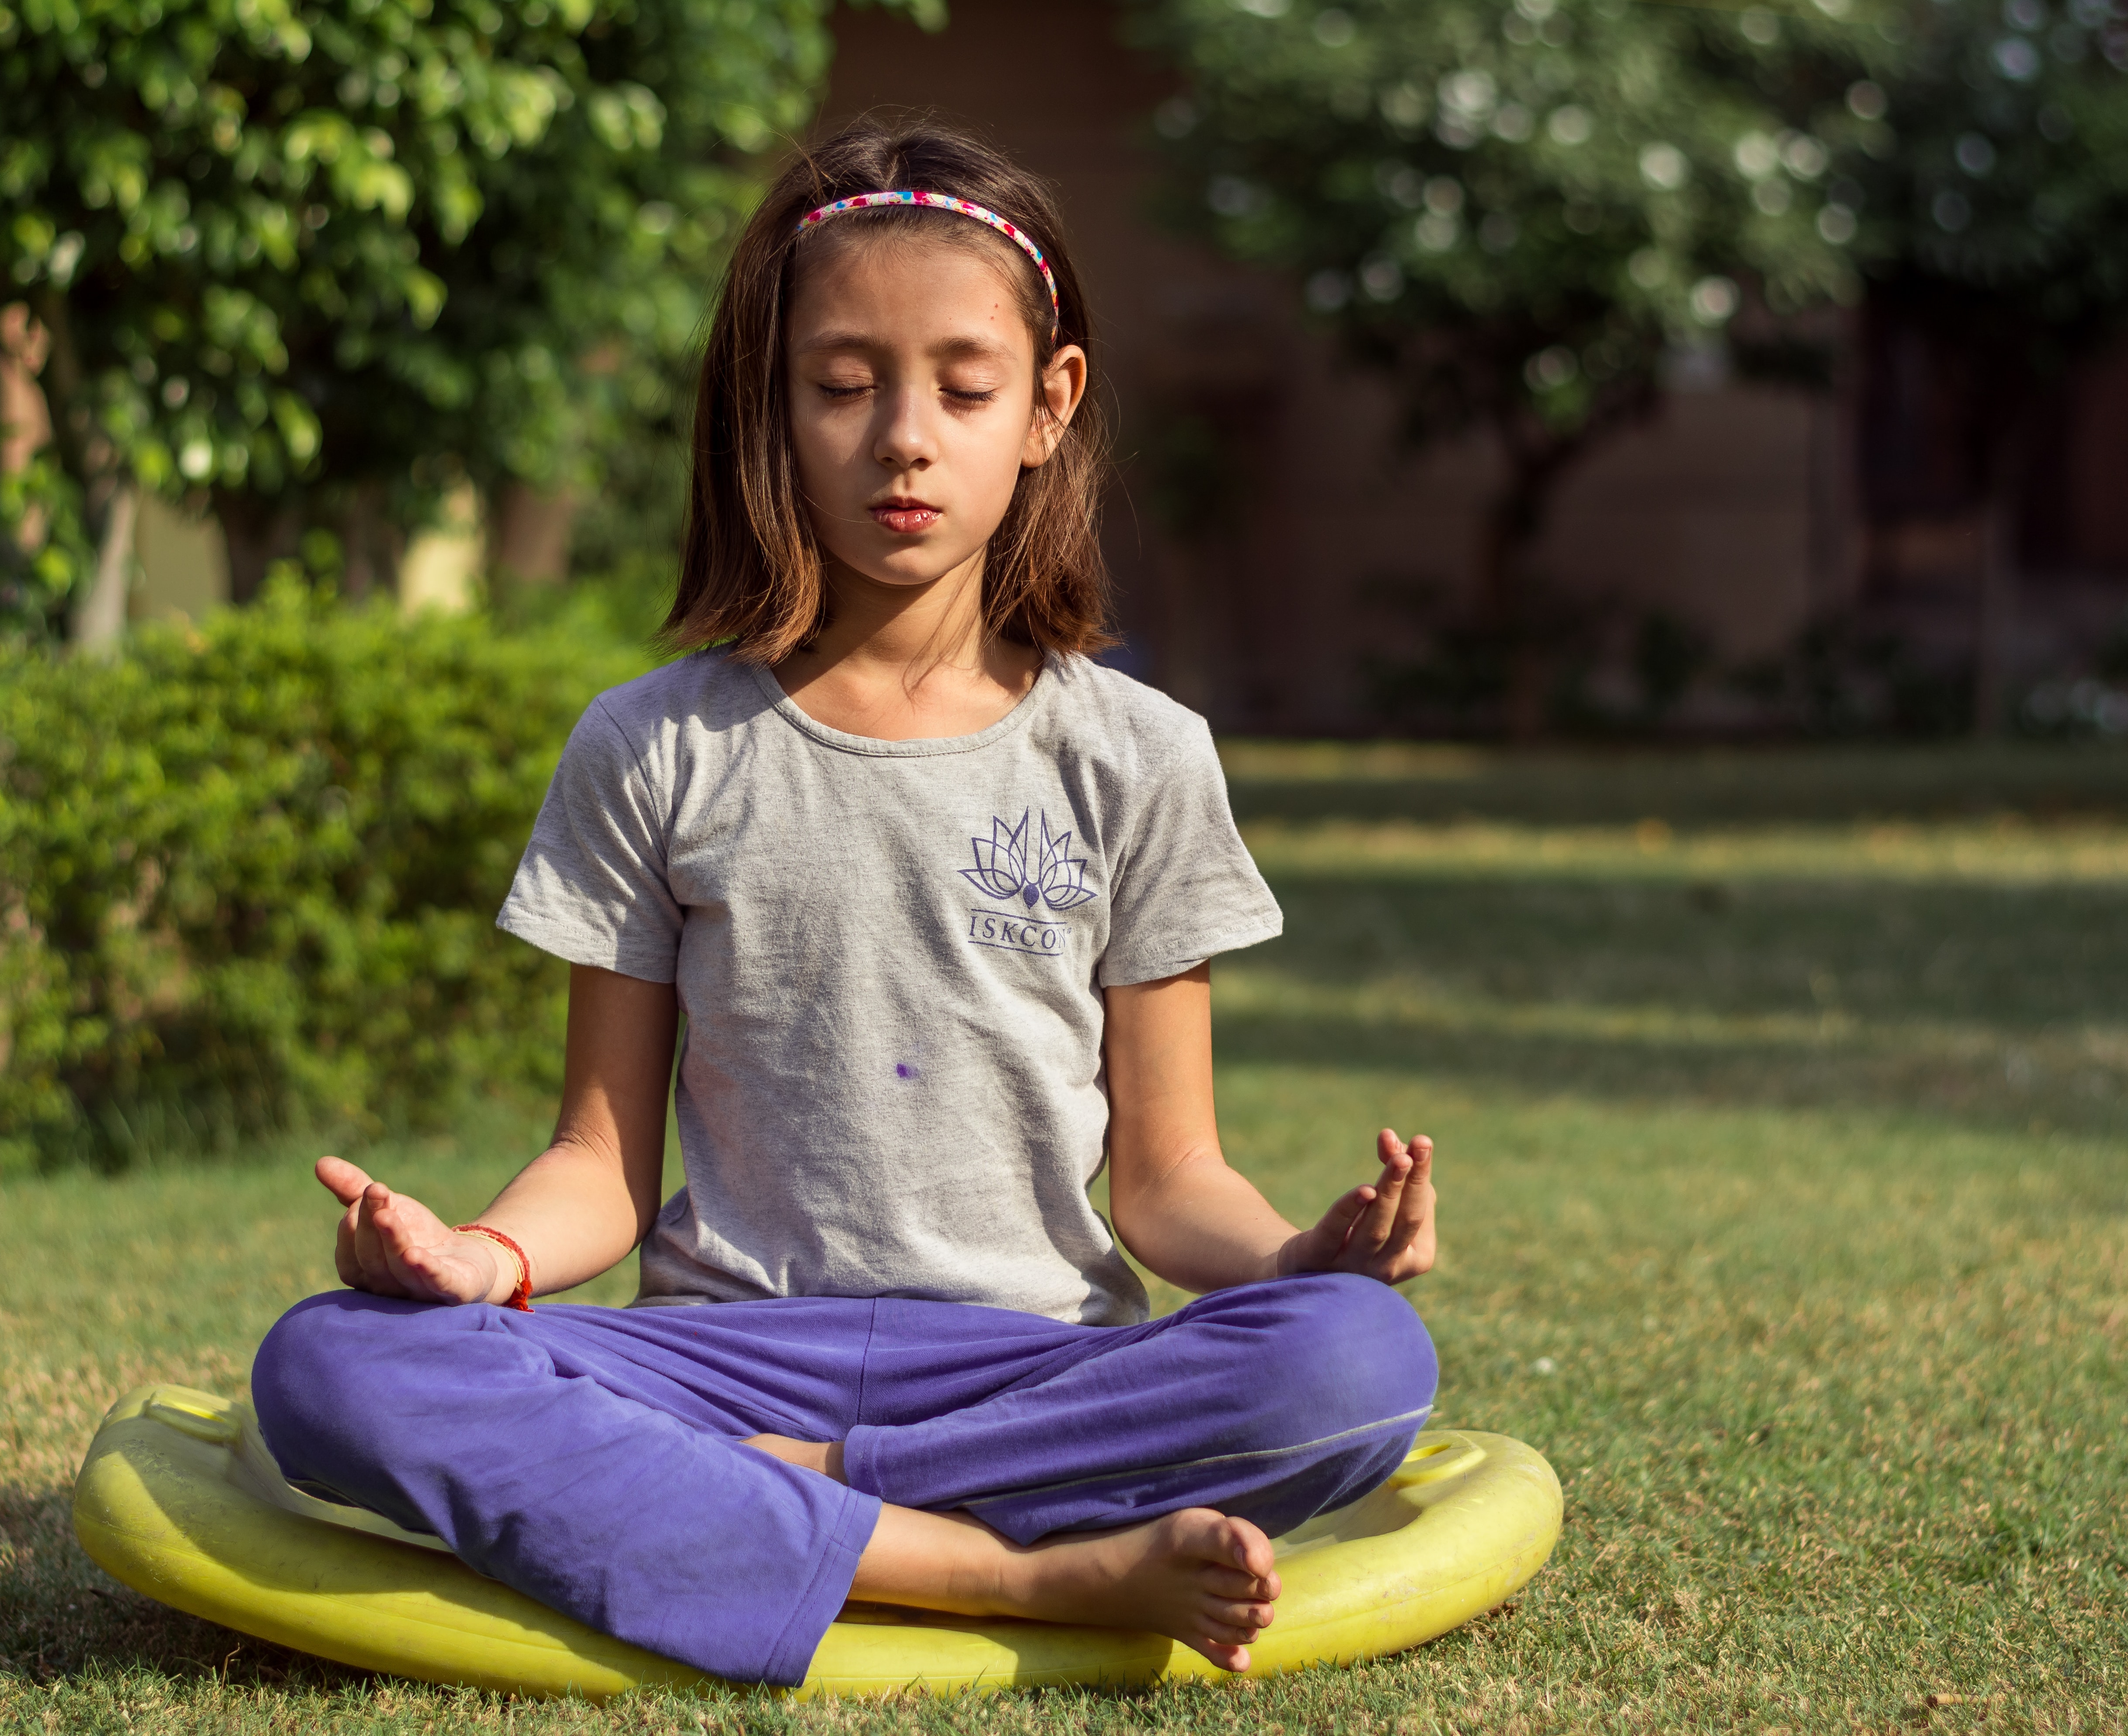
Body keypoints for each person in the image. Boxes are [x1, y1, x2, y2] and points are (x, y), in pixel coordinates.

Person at [249, 119, 1441, 1689]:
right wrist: (483, 1262)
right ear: (774, 407)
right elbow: (601, 1164)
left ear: (1049, 406)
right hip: (718, 1350)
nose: (902, 438)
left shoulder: (1140, 756)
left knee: (1356, 1364)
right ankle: (1032, 1571)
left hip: (1030, 1361)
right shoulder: (652, 744)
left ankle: (761, 1502)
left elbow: (1167, 1179)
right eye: (841, 384)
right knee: (333, 1366)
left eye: (963, 386)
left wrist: (1303, 1257)